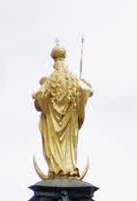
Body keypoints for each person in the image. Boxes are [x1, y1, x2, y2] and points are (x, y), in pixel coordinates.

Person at [33, 45, 93, 179]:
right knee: (69, 145)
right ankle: (69, 167)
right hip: (70, 120)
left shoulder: (50, 80)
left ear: (55, 64)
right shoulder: (72, 79)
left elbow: (39, 96)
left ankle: (57, 169)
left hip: (53, 123)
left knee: (55, 144)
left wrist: (40, 103)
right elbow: (86, 90)